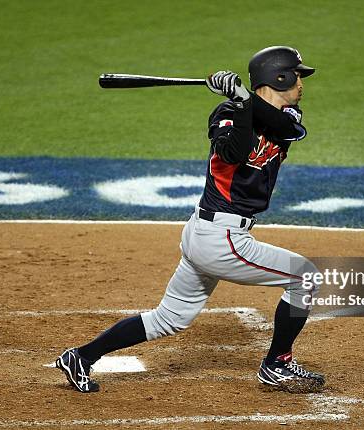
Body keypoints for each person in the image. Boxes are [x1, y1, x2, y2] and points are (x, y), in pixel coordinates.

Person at [56, 46, 324, 393]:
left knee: (170, 319)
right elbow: (233, 152)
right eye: (298, 75)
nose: (302, 82)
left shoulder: (290, 117)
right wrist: (241, 103)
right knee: (305, 276)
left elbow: (281, 126)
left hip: (209, 234)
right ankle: (278, 364)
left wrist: (245, 98)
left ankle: (81, 356)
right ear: (281, 77)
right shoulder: (226, 113)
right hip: (221, 239)